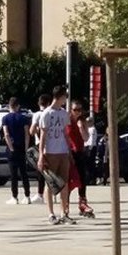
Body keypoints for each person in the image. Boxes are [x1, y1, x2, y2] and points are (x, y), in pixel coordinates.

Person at [38, 86, 75, 225]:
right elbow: (43, 135)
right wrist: (41, 155)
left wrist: (69, 151)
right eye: (65, 96)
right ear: (59, 97)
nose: (66, 99)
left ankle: (64, 213)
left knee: (64, 183)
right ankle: (50, 213)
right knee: (51, 183)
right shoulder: (46, 114)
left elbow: (66, 133)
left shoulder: (64, 114)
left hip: (63, 152)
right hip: (50, 152)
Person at [67, 100, 95, 217]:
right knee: (70, 180)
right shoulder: (67, 122)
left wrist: (81, 128)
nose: (78, 112)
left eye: (79, 110)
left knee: (82, 178)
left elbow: (85, 138)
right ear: (71, 110)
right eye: (75, 110)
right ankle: (65, 205)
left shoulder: (82, 122)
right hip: (69, 153)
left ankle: (82, 202)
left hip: (80, 152)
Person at [1, 97, 30, 204]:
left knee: (13, 174)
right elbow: (27, 134)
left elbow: (6, 134)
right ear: (18, 106)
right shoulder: (24, 118)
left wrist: (11, 148)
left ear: (9, 106)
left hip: (12, 148)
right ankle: (27, 196)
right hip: (22, 147)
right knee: (24, 173)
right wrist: (26, 148)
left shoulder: (5, 118)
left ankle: (14, 197)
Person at [29, 94, 53, 204]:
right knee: (52, 171)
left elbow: (32, 131)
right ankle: (53, 192)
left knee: (41, 171)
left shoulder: (37, 115)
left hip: (40, 144)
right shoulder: (52, 113)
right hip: (53, 145)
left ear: (39, 104)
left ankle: (40, 194)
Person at [84, 116, 98, 184]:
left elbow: (92, 139)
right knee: (87, 164)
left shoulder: (92, 129)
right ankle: (88, 178)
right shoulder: (87, 129)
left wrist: (90, 148)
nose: (87, 123)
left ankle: (92, 179)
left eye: (88, 121)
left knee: (91, 164)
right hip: (86, 146)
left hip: (91, 147)